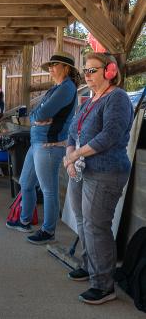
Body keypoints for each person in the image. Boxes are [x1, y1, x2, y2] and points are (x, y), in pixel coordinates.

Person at [63, 53, 133, 305]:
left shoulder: (118, 98)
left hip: (106, 171)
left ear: (110, 71)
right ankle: (89, 264)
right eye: (86, 70)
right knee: (83, 222)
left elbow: (109, 137)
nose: (87, 75)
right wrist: (70, 155)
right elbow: (72, 133)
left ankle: (104, 285)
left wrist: (74, 157)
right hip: (82, 169)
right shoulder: (90, 101)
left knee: (96, 227)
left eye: (92, 70)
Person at [6, 51, 81, 245]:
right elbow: (34, 116)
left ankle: (48, 231)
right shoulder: (55, 88)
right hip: (37, 143)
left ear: (66, 68)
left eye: (54, 65)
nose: (50, 68)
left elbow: (42, 113)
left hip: (50, 145)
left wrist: (38, 117)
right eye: (49, 65)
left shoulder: (67, 88)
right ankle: (24, 221)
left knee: (49, 190)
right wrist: (36, 117)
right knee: (26, 183)